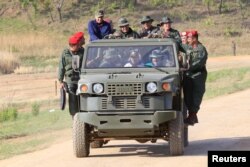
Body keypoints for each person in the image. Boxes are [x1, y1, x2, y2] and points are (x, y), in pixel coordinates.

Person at [181, 30, 208, 126]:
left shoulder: (201, 49)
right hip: (188, 74)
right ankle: (191, 115)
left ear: (195, 39)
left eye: (189, 38)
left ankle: (193, 114)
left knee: (197, 95)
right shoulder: (188, 47)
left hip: (198, 75)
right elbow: (179, 45)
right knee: (187, 94)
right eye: (187, 38)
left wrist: (187, 68)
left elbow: (199, 63)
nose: (187, 39)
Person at [58, 33, 85, 117]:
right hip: (70, 80)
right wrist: (61, 80)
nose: (79, 46)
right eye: (77, 45)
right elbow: (61, 66)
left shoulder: (82, 51)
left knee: (83, 99)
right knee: (73, 100)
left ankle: (83, 117)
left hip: (81, 79)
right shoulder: (65, 53)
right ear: (73, 45)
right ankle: (75, 118)